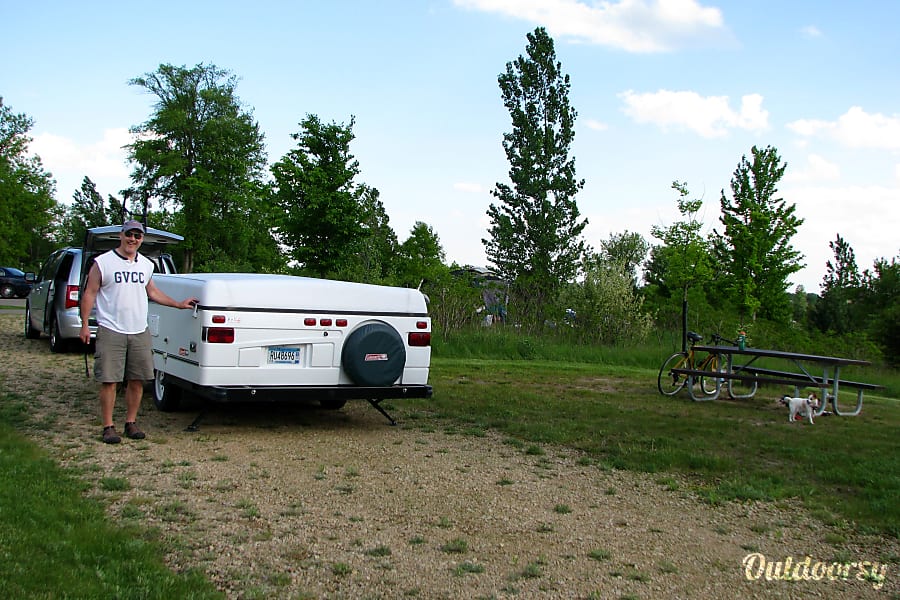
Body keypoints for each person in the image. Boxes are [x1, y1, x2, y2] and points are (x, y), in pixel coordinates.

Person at [79, 220, 198, 444]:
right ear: (121, 236)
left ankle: (131, 423)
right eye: (129, 234)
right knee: (110, 380)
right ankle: (108, 426)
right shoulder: (103, 263)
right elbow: (89, 293)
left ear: (141, 239)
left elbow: (153, 292)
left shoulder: (145, 265)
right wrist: (85, 324)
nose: (133, 239)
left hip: (138, 330)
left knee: (137, 380)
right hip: (111, 328)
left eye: (138, 236)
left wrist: (179, 304)